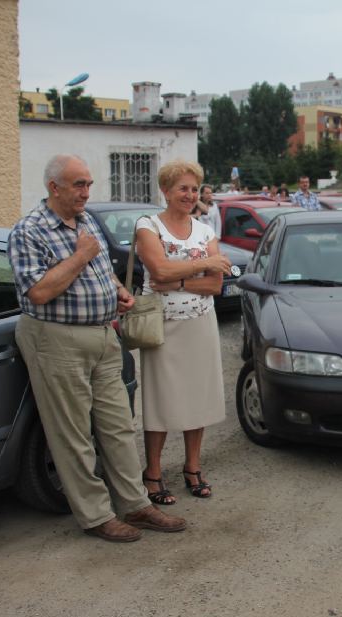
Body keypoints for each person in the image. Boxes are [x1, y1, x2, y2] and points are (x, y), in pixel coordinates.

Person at [8, 154, 187, 542]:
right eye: (78, 184)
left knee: (119, 426)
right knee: (73, 433)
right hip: (57, 339)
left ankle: (135, 504)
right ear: (54, 187)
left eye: (88, 184)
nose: (86, 192)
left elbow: (102, 271)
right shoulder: (29, 230)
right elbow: (37, 292)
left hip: (104, 335)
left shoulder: (86, 221)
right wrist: (80, 256)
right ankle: (96, 515)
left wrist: (118, 292)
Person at [133, 160, 232, 505]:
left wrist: (178, 281)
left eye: (194, 189)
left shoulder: (205, 231)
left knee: (197, 397)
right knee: (159, 400)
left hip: (200, 324)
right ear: (166, 190)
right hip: (162, 326)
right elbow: (158, 270)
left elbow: (215, 285)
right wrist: (204, 263)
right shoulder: (148, 225)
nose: (190, 195)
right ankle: (153, 473)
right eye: (182, 189)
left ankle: (193, 467)